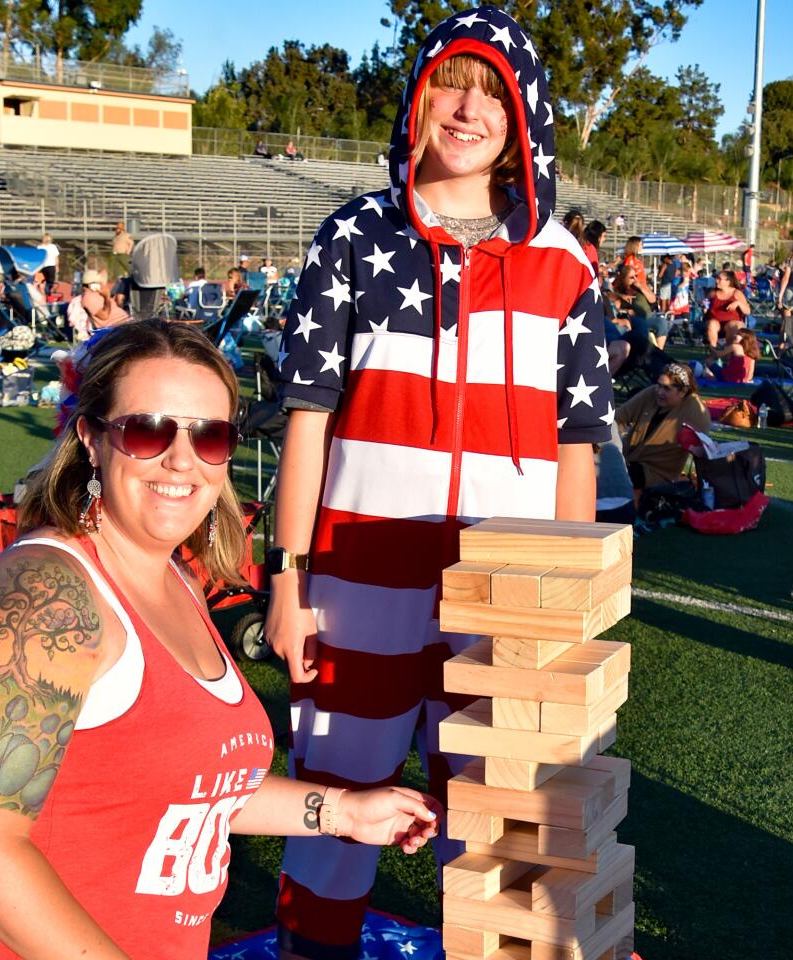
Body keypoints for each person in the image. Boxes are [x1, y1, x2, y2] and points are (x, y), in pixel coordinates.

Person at [0, 321, 440, 959]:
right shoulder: (37, 600)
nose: (181, 459)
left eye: (210, 435)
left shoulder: (174, 579)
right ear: (90, 438)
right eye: (148, 430)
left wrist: (341, 812)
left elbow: (186, 779)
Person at [267, 9, 610, 956]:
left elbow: (577, 445)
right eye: (452, 84)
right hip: (356, 582)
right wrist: (287, 577)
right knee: (336, 802)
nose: (467, 111)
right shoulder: (352, 235)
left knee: (498, 821)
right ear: (418, 95)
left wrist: (567, 599)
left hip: (505, 600)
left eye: (493, 95)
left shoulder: (565, 262)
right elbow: (308, 415)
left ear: (525, 118)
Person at [615, 362, 711, 495]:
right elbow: (617, 418)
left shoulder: (695, 410)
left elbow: (705, 450)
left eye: (667, 388)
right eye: (659, 385)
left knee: (609, 475)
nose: (659, 392)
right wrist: (615, 450)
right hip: (626, 458)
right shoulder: (650, 394)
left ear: (682, 392)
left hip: (657, 473)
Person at [702, 269, 750, 348]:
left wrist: (738, 303)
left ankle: (728, 353)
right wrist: (704, 306)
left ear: (728, 282)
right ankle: (713, 352)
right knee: (712, 324)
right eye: (716, 278)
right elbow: (706, 306)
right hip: (715, 321)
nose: (716, 280)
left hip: (732, 322)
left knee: (732, 325)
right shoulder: (713, 293)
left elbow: (748, 311)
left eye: (719, 279)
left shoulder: (737, 293)